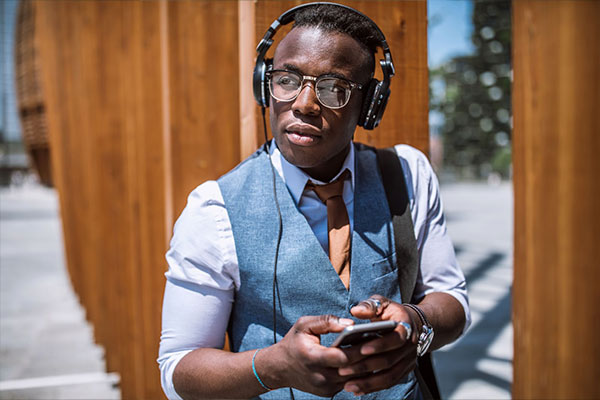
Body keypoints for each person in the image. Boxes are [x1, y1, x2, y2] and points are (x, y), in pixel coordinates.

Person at [158, 3, 470, 399]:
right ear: (264, 85)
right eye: (286, 79)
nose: (304, 103)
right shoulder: (214, 209)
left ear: (369, 106)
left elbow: (453, 301)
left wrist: (417, 323)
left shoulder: (407, 174)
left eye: (333, 88)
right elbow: (177, 368)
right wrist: (271, 366)